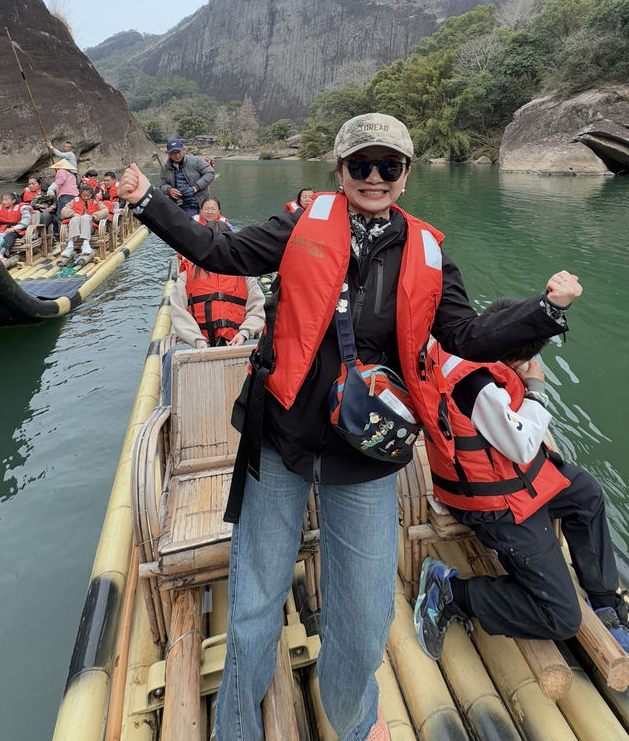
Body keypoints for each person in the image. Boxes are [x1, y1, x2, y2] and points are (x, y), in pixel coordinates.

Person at [119, 112, 580, 741]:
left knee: (363, 614)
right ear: (339, 171)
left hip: (367, 450)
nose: (373, 177)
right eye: (360, 165)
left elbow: (467, 335)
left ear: (405, 176)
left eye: (388, 166)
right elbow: (220, 251)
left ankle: (354, 716)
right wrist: (147, 201)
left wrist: (543, 312)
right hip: (283, 435)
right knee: (254, 605)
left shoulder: (427, 249)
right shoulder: (299, 225)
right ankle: (235, 727)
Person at [414, 297, 628, 659]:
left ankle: (605, 600)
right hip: (493, 503)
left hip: (518, 480)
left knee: (586, 493)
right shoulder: (475, 384)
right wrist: (535, 388)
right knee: (561, 617)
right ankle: (452, 592)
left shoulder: (474, 349)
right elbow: (524, 445)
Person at [163, 219, 266, 402]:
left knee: (265, 352)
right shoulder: (187, 275)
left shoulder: (245, 274)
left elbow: (257, 309)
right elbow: (179, 314)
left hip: (238, 341)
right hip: (199, 343)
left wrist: (243, 333)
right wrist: (199, 343)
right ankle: (172, 413)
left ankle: (260, 407)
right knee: (172, 356)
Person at [159, 139, 215, 217]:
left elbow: (210, 173)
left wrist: (196, 187)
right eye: (173, 153)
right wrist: (169, 190)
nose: (177, 155)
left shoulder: (196, 160)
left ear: (183, 150)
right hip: (177, 203)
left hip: (196, 202)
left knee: (190, 222)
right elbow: (162, 185)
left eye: (178, 152)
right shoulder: (165, 167)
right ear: (168, 154)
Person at [59, 182, 109, 261]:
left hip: (90, 226)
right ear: (80, 194)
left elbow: (106, 211)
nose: (86, 197)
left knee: (85, 217)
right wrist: (73, 214)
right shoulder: (74, 201)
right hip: (76, 227)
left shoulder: (96, 202)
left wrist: (94, 216)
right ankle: (70, 245)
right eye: (84, 196)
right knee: (74, 219)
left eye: (88, 196)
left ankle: (86, 244)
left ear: (91, 194)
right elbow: (64, 211)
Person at [0, 191, 32, 262]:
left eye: (6, 200)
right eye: (3, 200)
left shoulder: (22, 208)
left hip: (18, 230)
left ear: (13, 201)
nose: (3, 202)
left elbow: (26, 220)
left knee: (9, 236)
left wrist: (13, 228)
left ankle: (2, 254)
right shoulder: (0, 208)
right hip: (3, 229)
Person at [48, 158, 79, 244]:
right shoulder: (72, 175)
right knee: (71, 215)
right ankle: (73, 235)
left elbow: (61, 180)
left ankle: (63, 236)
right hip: (74, 196)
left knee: (61, 216)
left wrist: (51, 188)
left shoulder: (61, 171)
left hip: (65, 196)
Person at [22, 175, 57, 240]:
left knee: (46, 215)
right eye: (29, 184)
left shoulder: (50, 192)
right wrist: (39, 206)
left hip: (48, 212)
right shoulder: (32, 194)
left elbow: (55, 203)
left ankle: (41, 234)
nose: (31, 186)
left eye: (33, 184)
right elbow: (32, 203)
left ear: (40, 184)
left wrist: (50, 208)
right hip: (33, 212)